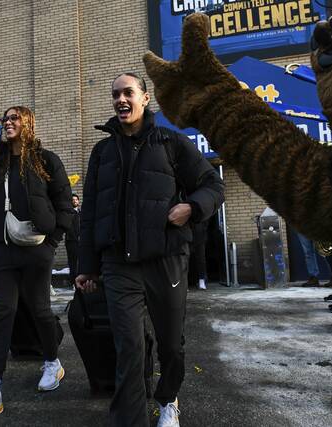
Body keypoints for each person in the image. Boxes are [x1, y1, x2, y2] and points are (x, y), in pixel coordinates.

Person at [75, 73, 225, 427]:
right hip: (118, 264)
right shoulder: (102, 151)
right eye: (115, 95)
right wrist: (87, 266)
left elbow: (212, 185)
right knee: (128, 347)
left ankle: (168, 398)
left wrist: (191, 207)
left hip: (166, 259)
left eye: (128, 93)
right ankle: (130, 419)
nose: (120, 100)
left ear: (145, 98)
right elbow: (92, 212)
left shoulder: (171, 143)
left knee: (171, 344)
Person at [0, 106, 74, 420]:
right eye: (5, 119)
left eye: (14, 118)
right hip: (2, 250)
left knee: (40, 309)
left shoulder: (46, 160)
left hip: (37, 247)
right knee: (2, 314)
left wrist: (52, 242)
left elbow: (64, 204)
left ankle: (52, 362)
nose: (8, 123)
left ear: (27, 123)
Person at [65, 193, 81, 286]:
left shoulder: (81, 212)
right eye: (73, 200)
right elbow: (69, 228)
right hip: (71, 241)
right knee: (73, 262)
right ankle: (74, 282)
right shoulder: (69, 213)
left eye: (76, 199)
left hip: (81, 242)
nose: (75, 201)